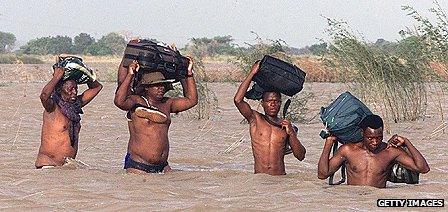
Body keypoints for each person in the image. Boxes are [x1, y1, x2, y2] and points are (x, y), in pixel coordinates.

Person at [114, 59, 197, 174]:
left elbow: (191, 100)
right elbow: (119, 101)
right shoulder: (136, 101)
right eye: (156, 85)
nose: (161, 87)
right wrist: (130, 74)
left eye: (163, 85)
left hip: (163, 166)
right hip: (139, 165)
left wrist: (188, 73)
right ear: (146, 87)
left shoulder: (167, 103)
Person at [233, 61, 306, 175]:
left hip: (280, 179)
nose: (273, 104)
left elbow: (301, 156)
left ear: (280, 103)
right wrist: (252, 73)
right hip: (260, 180)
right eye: (269, 101)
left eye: (276, 101)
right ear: (262, 103)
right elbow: (238, 100)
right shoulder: (255, 119)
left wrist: (291, 133)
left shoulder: (285, 126)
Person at [317, 114, 430, 188]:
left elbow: (423, 168)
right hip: (352, 200)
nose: (375, 142)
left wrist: (406, 142)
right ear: (362, 133)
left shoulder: (390, 152)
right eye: (370, 138)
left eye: (379, 137)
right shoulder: (348, 150)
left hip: (376, 200)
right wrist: (328, 144)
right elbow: (322, 174)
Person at [35, 66, 102, 168]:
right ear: (59, 89)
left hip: (67, 167)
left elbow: (97, 87)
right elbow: (44, 96)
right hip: (48, 166)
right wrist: (57, 77)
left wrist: (86, 73)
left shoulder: (75, 105)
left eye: (76, 88)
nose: (74, 92)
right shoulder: (52, 107)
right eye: (70, 89)